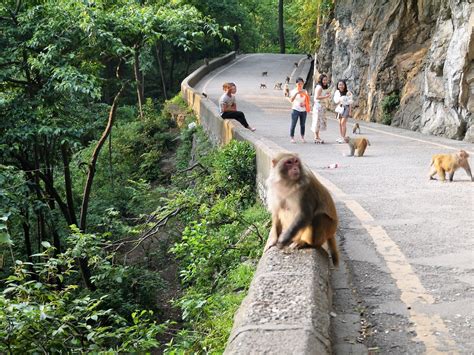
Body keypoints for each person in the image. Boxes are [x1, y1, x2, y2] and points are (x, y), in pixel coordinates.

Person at [289, 77, 311, 143]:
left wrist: (304, 104)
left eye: (301, 83)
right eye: (299, 83)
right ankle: (292, 137)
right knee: (293, 124)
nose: (300, 85)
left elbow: (307, 100)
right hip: (295, 109)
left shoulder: (305, 91)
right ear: (296, 84)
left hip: (303, 110)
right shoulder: (293, 91)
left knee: (303, 124)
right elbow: (291, 100)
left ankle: (302, 137)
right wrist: (297, 93)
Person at [311, 74, 331, 144]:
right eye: (324, 80)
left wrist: (326, 95)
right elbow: (317, 97)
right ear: (321, 80)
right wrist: (325, 97)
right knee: (317, 121)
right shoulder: (319, 87)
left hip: (321, 106)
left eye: (326, 80)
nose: (325, 81)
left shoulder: (323, 87)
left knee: (318, 121)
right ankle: (316, 137)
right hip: (318, 106)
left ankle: (317, 137)